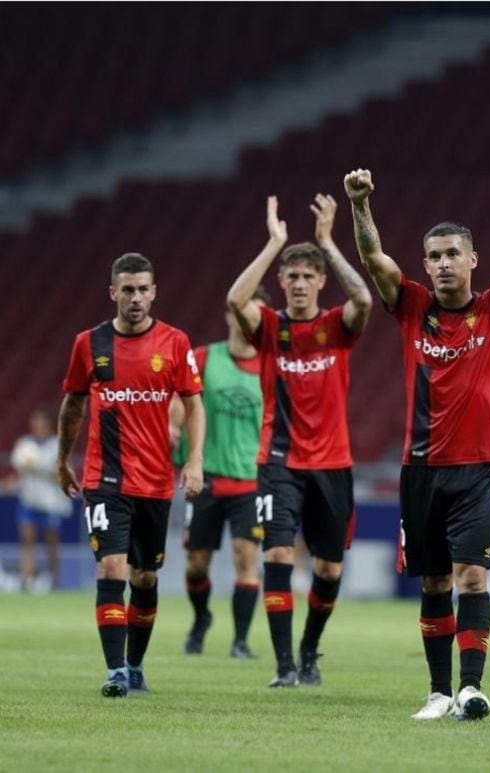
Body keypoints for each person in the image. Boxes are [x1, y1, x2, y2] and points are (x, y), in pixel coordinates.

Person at [344, 166, 490, 720]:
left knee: (473, 577)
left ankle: (470, 688)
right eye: (434, 256)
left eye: (452, 254)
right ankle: (438, 693)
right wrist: (360, 204)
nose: (442, 264)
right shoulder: (412, 306)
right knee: (435, 580)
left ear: (472, 260)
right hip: (420, 470)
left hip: (479, 470)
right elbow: (373, 259)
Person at [227, 194, 373, 688]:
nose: (300, 284)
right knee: (277, 555)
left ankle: (310, 649)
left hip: (332, 463)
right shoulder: (270, 328)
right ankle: (285, 665)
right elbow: (235, 300)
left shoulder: (336, 327)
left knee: (328, 569)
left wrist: (328, 242)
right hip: (279, 461)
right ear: (283, 281)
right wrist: (275, 243)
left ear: (321, 281)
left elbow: (364, 300)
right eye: (292, 276)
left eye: (309, 276)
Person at [57, 252, 206, 698]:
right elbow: (73, 404)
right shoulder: (89, 343)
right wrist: (62, 459)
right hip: (105, 478)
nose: (135, 297)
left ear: (154, 292)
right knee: (111, 566)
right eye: (127, 290)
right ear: (113, 293)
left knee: (144, 578)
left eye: (143, 289)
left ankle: (136, 665)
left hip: (156, 482)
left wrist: (194, 460)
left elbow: (194, 404)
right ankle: (116, 671)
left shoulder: (175, 342)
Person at [172, 288, 271, 658]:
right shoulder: (203, 358)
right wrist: (172, 425)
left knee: (246, 559)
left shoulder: (271, 366)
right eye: (243, 313)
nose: (248, 321)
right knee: (197, 565)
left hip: (251, 481)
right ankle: (201, 619)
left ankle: (240, 642)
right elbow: (180, 400)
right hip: (206, 478)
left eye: (256, 316)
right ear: (230, 315)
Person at [11, 408, 73, 591]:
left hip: (50, 503)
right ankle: (25, 579)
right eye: (34, 422)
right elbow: (18, 464)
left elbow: (62, 472)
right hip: (28, 500)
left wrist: (37, 465)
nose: (37, 426)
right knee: (27, 539)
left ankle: (54, 579)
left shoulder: (57, 445)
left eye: (40, 422)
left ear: (48, 424)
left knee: (51, 542)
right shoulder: (25, 444)